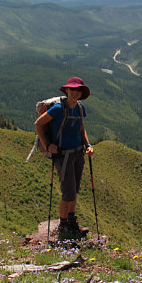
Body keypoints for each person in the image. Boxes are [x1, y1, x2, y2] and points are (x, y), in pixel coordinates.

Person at [34, 76, 94, 238]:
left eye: (78, 90)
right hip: (63, 155)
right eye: (72, 90)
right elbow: (38, 124)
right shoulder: (59, 108)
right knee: (68, 193)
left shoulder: (80, 108)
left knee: (74, 191)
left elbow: (81, 129)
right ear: (66, 90)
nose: (75, 93)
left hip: (78, 153)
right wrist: (47, 145)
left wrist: (87, 145)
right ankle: (63, 224)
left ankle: (71, 220)